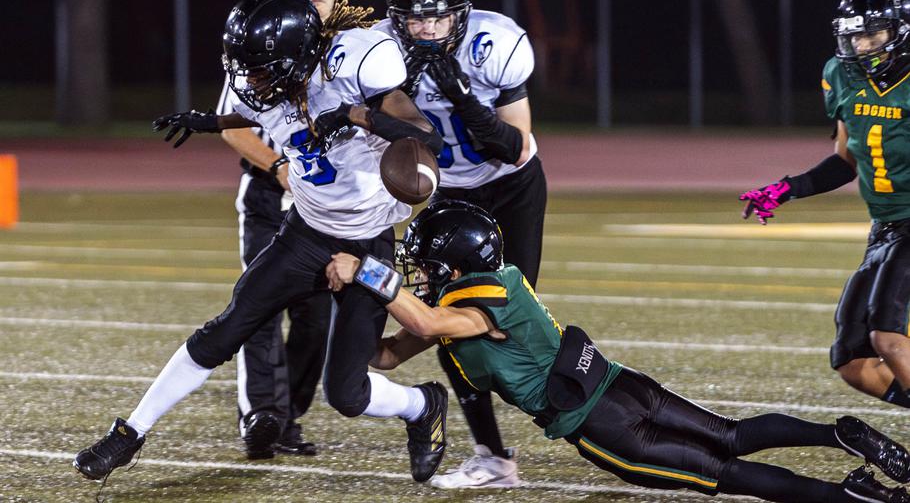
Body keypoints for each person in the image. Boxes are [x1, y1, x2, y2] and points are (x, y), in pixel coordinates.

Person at [73, 0, 448, 485]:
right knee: (226, 328)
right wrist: (208, 121)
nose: (249, 80)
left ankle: (423, 406)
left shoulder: (353, 65)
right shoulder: (266, 84)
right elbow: (250, 113)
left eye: (259, 69)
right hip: (305, 233)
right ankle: (130, 431)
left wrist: (354, 114)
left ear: (298, 57)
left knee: (347, 394)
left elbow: (427, 137)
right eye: (243, 67)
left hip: (368, 241)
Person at [326, 200, 910, 503]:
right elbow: (387, 356)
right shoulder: (484, 284)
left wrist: (367, 275)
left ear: (456, 265)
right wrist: (343, 316)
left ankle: (850, 496)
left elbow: (425, 320)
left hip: (598, 423)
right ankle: (841, 434)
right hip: (621, 383)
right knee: (730, 436)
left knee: (727, 472)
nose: (419, 274)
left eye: (427, 265)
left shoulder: (469, 304)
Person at [373, 0, 547, 488]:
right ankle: (492, 457)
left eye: (438, 16)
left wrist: (459, 92)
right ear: (397, 18)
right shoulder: (379, 51)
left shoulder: (495, 43)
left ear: (461, 13)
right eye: (415, 18)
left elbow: (513, 147)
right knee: (456, 325)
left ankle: (398, 349)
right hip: (449, 194)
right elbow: (406, 133)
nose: (426, 30)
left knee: (504, 319)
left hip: (511, 188)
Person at [740, 0, 910, 412]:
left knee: (888, 337)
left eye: (874, 34)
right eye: (856, 37)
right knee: (854, 360)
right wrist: (785, 189)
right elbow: (844, 161)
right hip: (885, 229)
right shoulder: (841, 74)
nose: (864, 46)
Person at [216, 0, 340, 460]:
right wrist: (282, 166)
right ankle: (262, 416)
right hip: (271, 195)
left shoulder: (357, 42)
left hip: (331, 205)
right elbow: (232, 127)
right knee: (261, 307)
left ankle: (288, 415)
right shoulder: (259, 35)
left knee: (319, 318)